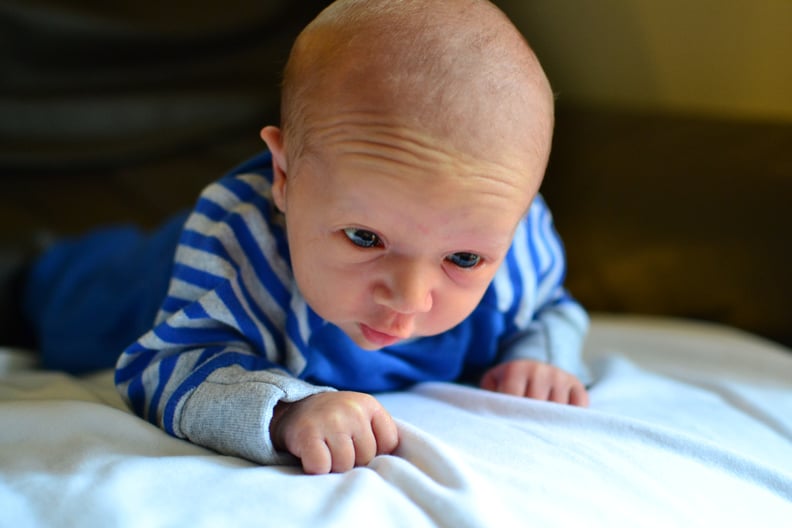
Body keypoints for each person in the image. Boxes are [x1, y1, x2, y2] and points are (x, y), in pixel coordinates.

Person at [19, 0, 591, 475]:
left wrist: (539, 358)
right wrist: (288, 411)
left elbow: (552, 308)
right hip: (104, 289)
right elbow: (162, 366)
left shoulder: (516, 244)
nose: (409, 298)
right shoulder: (237, 250)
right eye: (365, 237)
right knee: (48, 287)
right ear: (284, 177)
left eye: (464, 258)